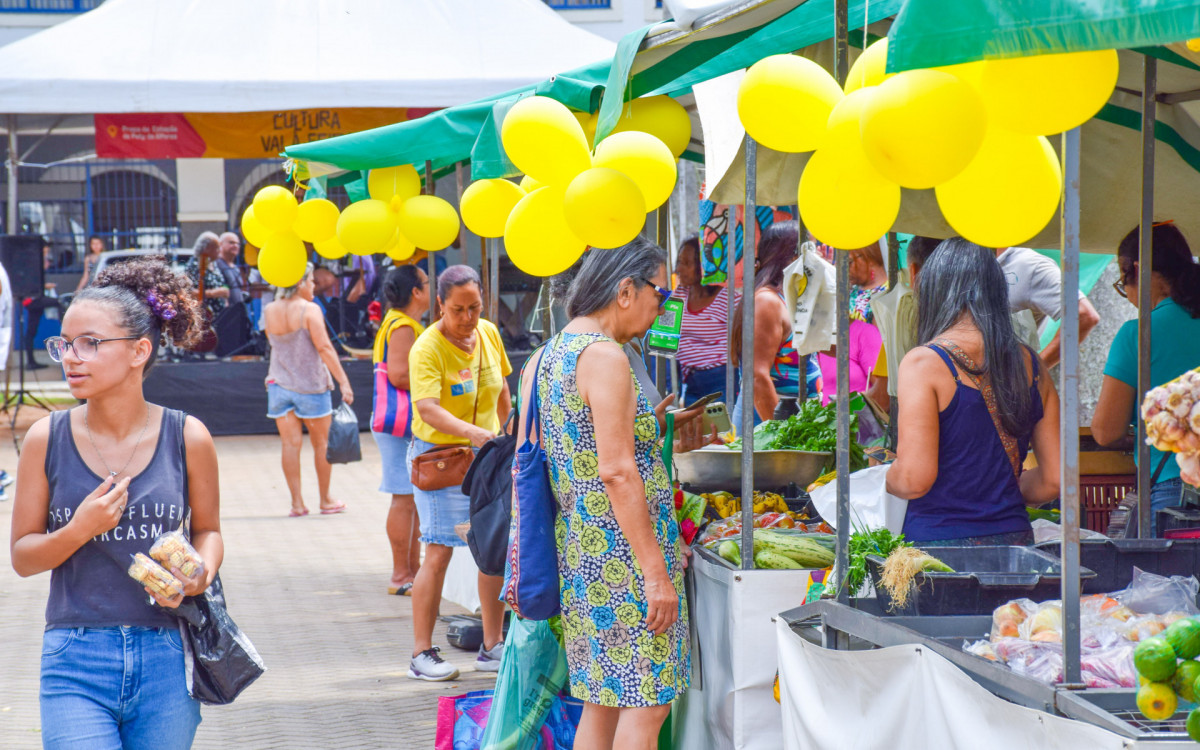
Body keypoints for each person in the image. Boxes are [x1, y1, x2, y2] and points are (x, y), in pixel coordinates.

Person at [10, 259, 221, 749]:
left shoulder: (188, 436)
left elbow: (209, 530)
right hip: (75, 657)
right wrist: (79, 529)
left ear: (138, 351)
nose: (70, 357)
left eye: (90, 343)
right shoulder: (47, 438)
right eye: (63, 343)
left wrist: (200, 573)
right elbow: (22, 556)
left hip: (167, 653)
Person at [521, 238, 710, 750]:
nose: (663, 305)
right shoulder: (606, 357)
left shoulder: (553, 352)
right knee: (647, 708)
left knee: (602, 705)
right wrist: (655, 570)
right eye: (660, 292)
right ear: (626, 290)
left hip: (586, 556)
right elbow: (617, 472)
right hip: (624, 562)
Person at [886, 239, 1061, 545]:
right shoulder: (1033, 367)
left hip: (940, 551)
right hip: (1015, 544)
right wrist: (996, 487)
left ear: (933, 291)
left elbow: (914, 479)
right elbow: (1053, 481)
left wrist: (885, 477)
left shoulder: (922, 363)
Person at [406, 265, 511, 681]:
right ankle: (420, 653)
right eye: (458, 310)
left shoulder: (488, 333)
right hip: (441, 460)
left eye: (475, 308)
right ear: (440, 306)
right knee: (438, 551)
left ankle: (491, 646)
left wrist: (510, 433)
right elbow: (427, 407)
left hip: (485, 457)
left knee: (492, 549)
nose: (468, 318)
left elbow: (502, 388)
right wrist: (474, 433)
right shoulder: (426, 348)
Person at [1091, 223, 1200, 534]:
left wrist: (1143, 435)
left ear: (1138, 269)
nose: (1127, 295)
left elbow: (1105, 431)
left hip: (1176, 496)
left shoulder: (1138, 333)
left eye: (1123, 282)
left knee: (1171, 583)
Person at [263, 263, 354, 517]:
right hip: (311, 387)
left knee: (290, 445)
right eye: (312, 281)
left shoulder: (270, 310)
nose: (314, 285)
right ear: (301, 282)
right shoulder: (309, 310)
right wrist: (344, 382)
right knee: (321, 444)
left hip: (279, 385)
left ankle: (297, 503)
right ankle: (325, 499)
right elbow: (325, 348)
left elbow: (275, 345)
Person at [729, 221, 822, 427]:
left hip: (790, 420)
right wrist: (780, 434)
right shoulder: (767, 302)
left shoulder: (786, 298)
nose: (818, 258)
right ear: (792, 257)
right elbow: (757, 377)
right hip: (765, 424)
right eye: (812, 251)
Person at [371, 264, 428, 596]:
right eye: (425, 282)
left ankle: (412, 570)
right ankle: (400, 574)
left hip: (397, 424)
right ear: (416, 292)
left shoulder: (397, 323)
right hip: (399, 425)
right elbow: (399, 375)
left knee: (409, 498)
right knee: (404, 498)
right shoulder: (404, 326)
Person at [995, 245, 1101, 368]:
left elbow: (1084, 315)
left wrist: (1036, 371)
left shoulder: (1029, 265)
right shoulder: (976, 264)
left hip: (1003, 382)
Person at [671, 234, 736, 405]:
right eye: (679, 262)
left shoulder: (727, 299)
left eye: (686, 264)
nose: (678, 269)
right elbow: (664, 330)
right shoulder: (679, 294)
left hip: (721, 379)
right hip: (689, 379)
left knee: (721, 430)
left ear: (703, 266)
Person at [22, 239, 59, 370]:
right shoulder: (33, 261)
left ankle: (31, 362)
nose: (46, 252)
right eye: (45, 249)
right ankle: (30, 362)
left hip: (37, 298)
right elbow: (30, 282)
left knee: (32, 331)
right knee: (60, 302)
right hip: (32, 300)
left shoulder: (39, 260)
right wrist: (44, 286)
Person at [184, 231, 230, 316]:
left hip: (221, 315)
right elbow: (189, 292)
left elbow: (221, 283)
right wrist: (213, 293)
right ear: (207, 248)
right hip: (206, 317)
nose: (219, 251)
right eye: (216, 248)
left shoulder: (214, 263)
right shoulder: (194, 265)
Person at [846, 241, 889, 325]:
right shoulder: (852, 289)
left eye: (850, 262)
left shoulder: (888, 293)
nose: (846, 269)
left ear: (870, 258)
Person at [217, 232, 248, 306]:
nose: (235, 246)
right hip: (224, 314)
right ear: (220, 244)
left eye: (238, 244)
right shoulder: (216, 265)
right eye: (231, 243)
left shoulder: (235, 268)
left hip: (237, 312)